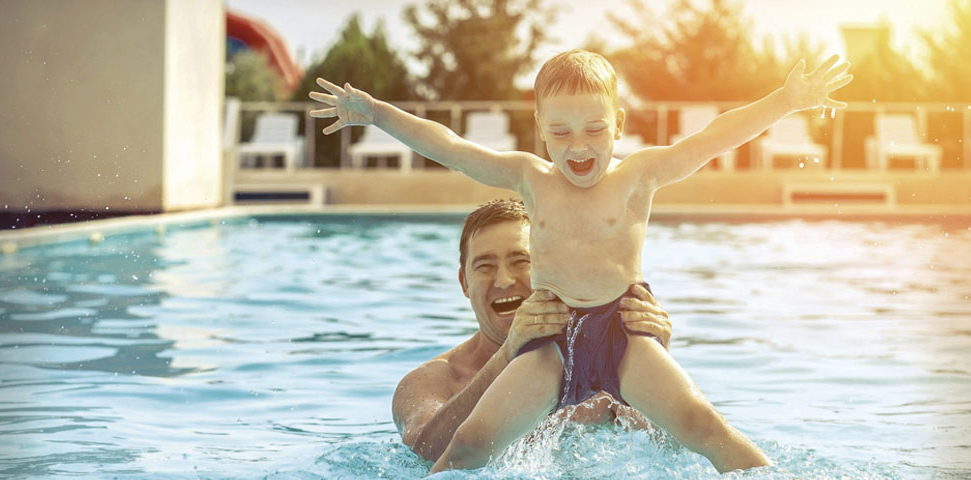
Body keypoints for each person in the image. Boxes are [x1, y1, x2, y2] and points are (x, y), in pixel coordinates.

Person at [310, 49, 852, 473]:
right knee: (472, 441)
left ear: (618, 123)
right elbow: (450, 145)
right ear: (540, 128)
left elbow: (714, 138)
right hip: (550, 336)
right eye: (561, 132)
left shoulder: (639, 174)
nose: (578, 147)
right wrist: (377, 114)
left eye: (594, 129)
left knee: (701, 422)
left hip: (624, 335)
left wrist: (784, 101)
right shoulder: (530, 176)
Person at [391, 198, 673, 462]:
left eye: (521, 261)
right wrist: (507, 353)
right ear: (464, 282)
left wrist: (655, 358)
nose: (503, 280)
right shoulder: (432, 381)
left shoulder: (600, 368)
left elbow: (671, 449)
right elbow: (423, 453)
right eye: (485, 266)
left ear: (553, 270)